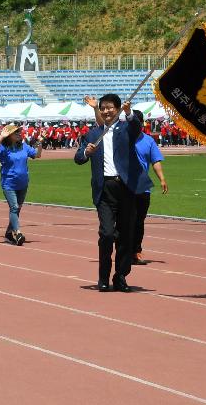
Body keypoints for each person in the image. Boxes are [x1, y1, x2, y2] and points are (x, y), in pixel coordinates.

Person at [74, 94, 151, 293]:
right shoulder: (93, 134)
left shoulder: (125, 129)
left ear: (117, 110)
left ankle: (121, 276)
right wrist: (86, 153)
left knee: (125, 235)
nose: (107, 111)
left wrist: (129, 112)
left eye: (110, 108)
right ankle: (103, 277)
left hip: (125, 188)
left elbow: (136, 128)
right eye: (103, 108)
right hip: (104, 189)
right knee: (107, 234)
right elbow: (78, 158)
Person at [0, 122, 42, 246]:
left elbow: (37, 154)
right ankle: (18, 232)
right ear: (9, 135)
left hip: (23, 183)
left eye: (19, 131)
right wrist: (1, 137)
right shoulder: (4, 147)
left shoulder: (23, 146)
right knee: (14, 207)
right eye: (16, 132)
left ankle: (9, 233)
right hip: (9, 183)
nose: (20, 133)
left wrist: (40, 143)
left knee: (17, 209)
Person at [130, 110, 168, 266]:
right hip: (124, 186)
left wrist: (162, 179)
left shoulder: (148, 141)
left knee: (139, 221)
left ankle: (135, 251)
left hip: (142, 186)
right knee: (124, 220)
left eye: (136, 122)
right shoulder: (122, 139)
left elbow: (155, 161)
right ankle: (124, 249)